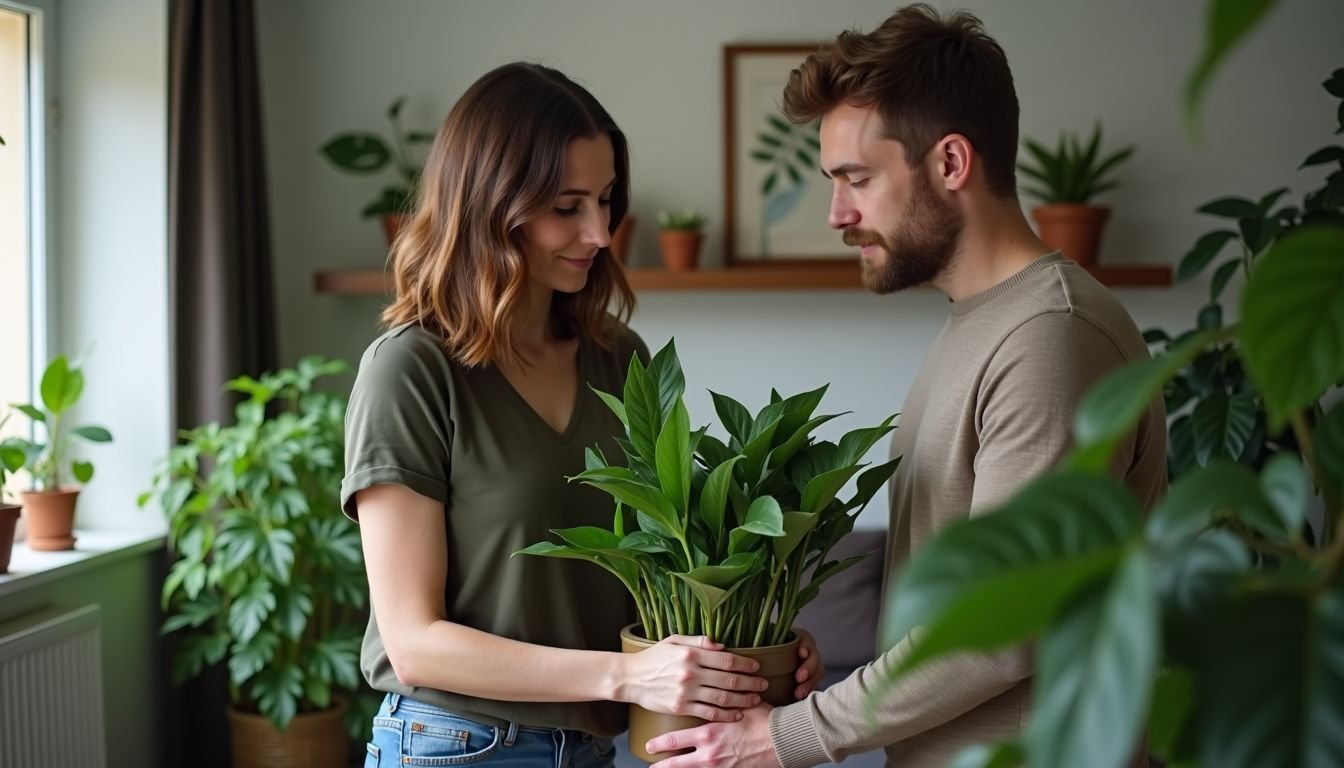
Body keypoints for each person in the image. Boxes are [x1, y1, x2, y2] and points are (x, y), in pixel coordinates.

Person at [645, 6, 1166, 768]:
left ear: (951, 163)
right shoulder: (982, 323)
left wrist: (786, 737)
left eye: (856, 179)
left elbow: (1002, 620)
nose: (836, 214)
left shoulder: (1051, 336)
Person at [342, 62, 823, 768]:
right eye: (567, 207)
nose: (599, 233)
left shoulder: (616, 356)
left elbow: (665, 559)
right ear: (489, 203)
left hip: (593, 748)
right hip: (456, 745)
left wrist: (759, 649)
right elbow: (413, 644)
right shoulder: (411, 370)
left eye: (604, 200)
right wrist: (628, 675)